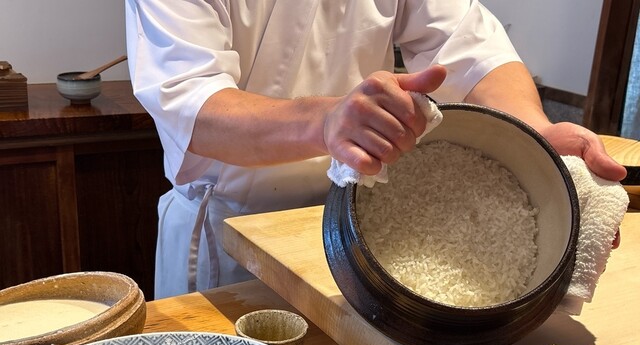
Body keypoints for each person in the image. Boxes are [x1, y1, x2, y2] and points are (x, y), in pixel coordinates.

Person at [125, 1, 627, 299]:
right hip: (230, 235)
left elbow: (469, 45)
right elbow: (191, 103)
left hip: (357, 223)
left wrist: (534, 133)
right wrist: (326, 122)